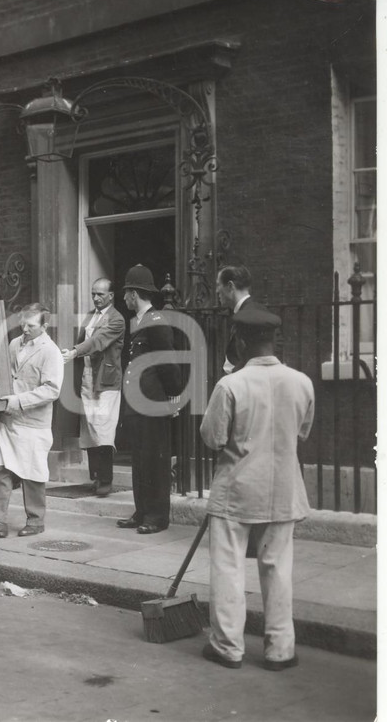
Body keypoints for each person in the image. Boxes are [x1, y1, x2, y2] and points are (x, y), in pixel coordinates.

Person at [199, 308, 314, 671]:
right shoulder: (302, 382)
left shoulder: (230, 385)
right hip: (283, 489)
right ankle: (280, 649)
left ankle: (228, 646)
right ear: (273, 340)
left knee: (229, 568)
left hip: (238, 488)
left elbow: (213, 438)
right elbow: (303, 432)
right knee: (278, 569)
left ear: (242, 340)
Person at [0, 303, 64, 538]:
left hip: (33, 422)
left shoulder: (50, 351)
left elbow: (52, 390)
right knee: (0, 469)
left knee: (32, 474)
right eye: (22, 323)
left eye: (31, 326)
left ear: (44, 326)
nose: (24, 329)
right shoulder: (14, 344)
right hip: (9, 419)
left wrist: (18, 400)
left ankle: (35, 521)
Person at [115, 264, 180, 535]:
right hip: (138, 403)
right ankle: (141, 510)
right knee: (140, 459)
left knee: (155, 460)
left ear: (134, 293)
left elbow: (168, 361)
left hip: (153, 402)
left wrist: (173, 394)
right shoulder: (140, 321)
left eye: (127, 293)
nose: (125, 298)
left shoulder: (156, 320)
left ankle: (157, 516)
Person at [61, 277, 125, 497]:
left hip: (105, 381)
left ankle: (106, 479)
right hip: (87, 379)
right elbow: (84, 340)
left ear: (111, 296)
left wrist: (75, 351)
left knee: (103, 429)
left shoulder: (116, 319)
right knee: (89, 427)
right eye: (93, 294)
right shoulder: (90, 316)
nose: (96, 298)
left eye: (100, 294)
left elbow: (98, 341)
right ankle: (96, 476)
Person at [216, 265, 268, 374]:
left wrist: (234, 376)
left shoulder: (251, 313)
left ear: (230, 286)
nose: (217, 291)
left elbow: (260, 357)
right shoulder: (244, 310)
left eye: (218, 285)